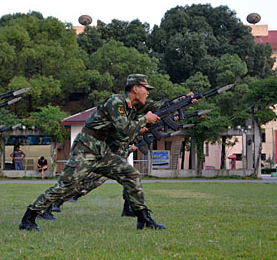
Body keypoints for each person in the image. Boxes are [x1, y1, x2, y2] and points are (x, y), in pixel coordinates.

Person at [19, 74, 197, 231]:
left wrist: (185, 100)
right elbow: (125, 129)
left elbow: (161, 106)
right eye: (145, 89)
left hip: (102, 151)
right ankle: (29, 217)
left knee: (131, 174)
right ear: (135, 88)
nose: (148, 92)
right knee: (67, 186)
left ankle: (143, 218)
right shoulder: (116, 102)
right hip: (86, 148)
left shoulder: (133, 106)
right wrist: (145, 119)